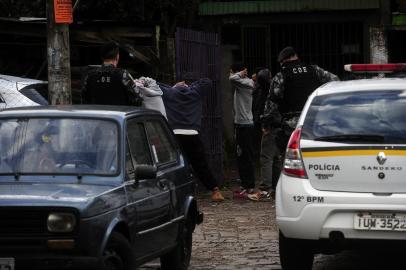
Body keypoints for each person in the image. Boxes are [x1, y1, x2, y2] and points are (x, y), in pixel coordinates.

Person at [259, 46, 339, 196]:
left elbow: (272, 102)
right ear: (296, 56)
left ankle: (292, 190)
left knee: (291, 157)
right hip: (316, 120)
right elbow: (335, 81)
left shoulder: (281, 75)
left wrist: (266, 122)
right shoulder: (314, 70)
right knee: (316, 153)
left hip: (293, 123)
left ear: (283, 60)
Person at [160, 78, 225, 202]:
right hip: (192, 133)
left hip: (174, 134)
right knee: (201, 164)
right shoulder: (195, 92)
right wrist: (191, 86)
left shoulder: (169, 92)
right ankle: (215, 190)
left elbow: (154, 84)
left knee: (175, 164)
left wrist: (173, 86)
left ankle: (176, 192)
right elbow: (207, 82)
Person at [81, 41, 143, 106]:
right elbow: (138, 100)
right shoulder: (123, 74)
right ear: (117, 56)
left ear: (102, 57)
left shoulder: (90, 75)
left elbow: (84, 99)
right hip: (118, 115)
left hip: (97, 115)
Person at [229, 63, 256, 197]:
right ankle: (245, 184)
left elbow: (232, 78)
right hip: (241, 124)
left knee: (246, 156)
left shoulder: (246, 82)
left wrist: (242, 73)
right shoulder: (242, 82)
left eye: (231, 72)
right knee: (241, 155)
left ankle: (249, 185)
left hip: (245, 125)